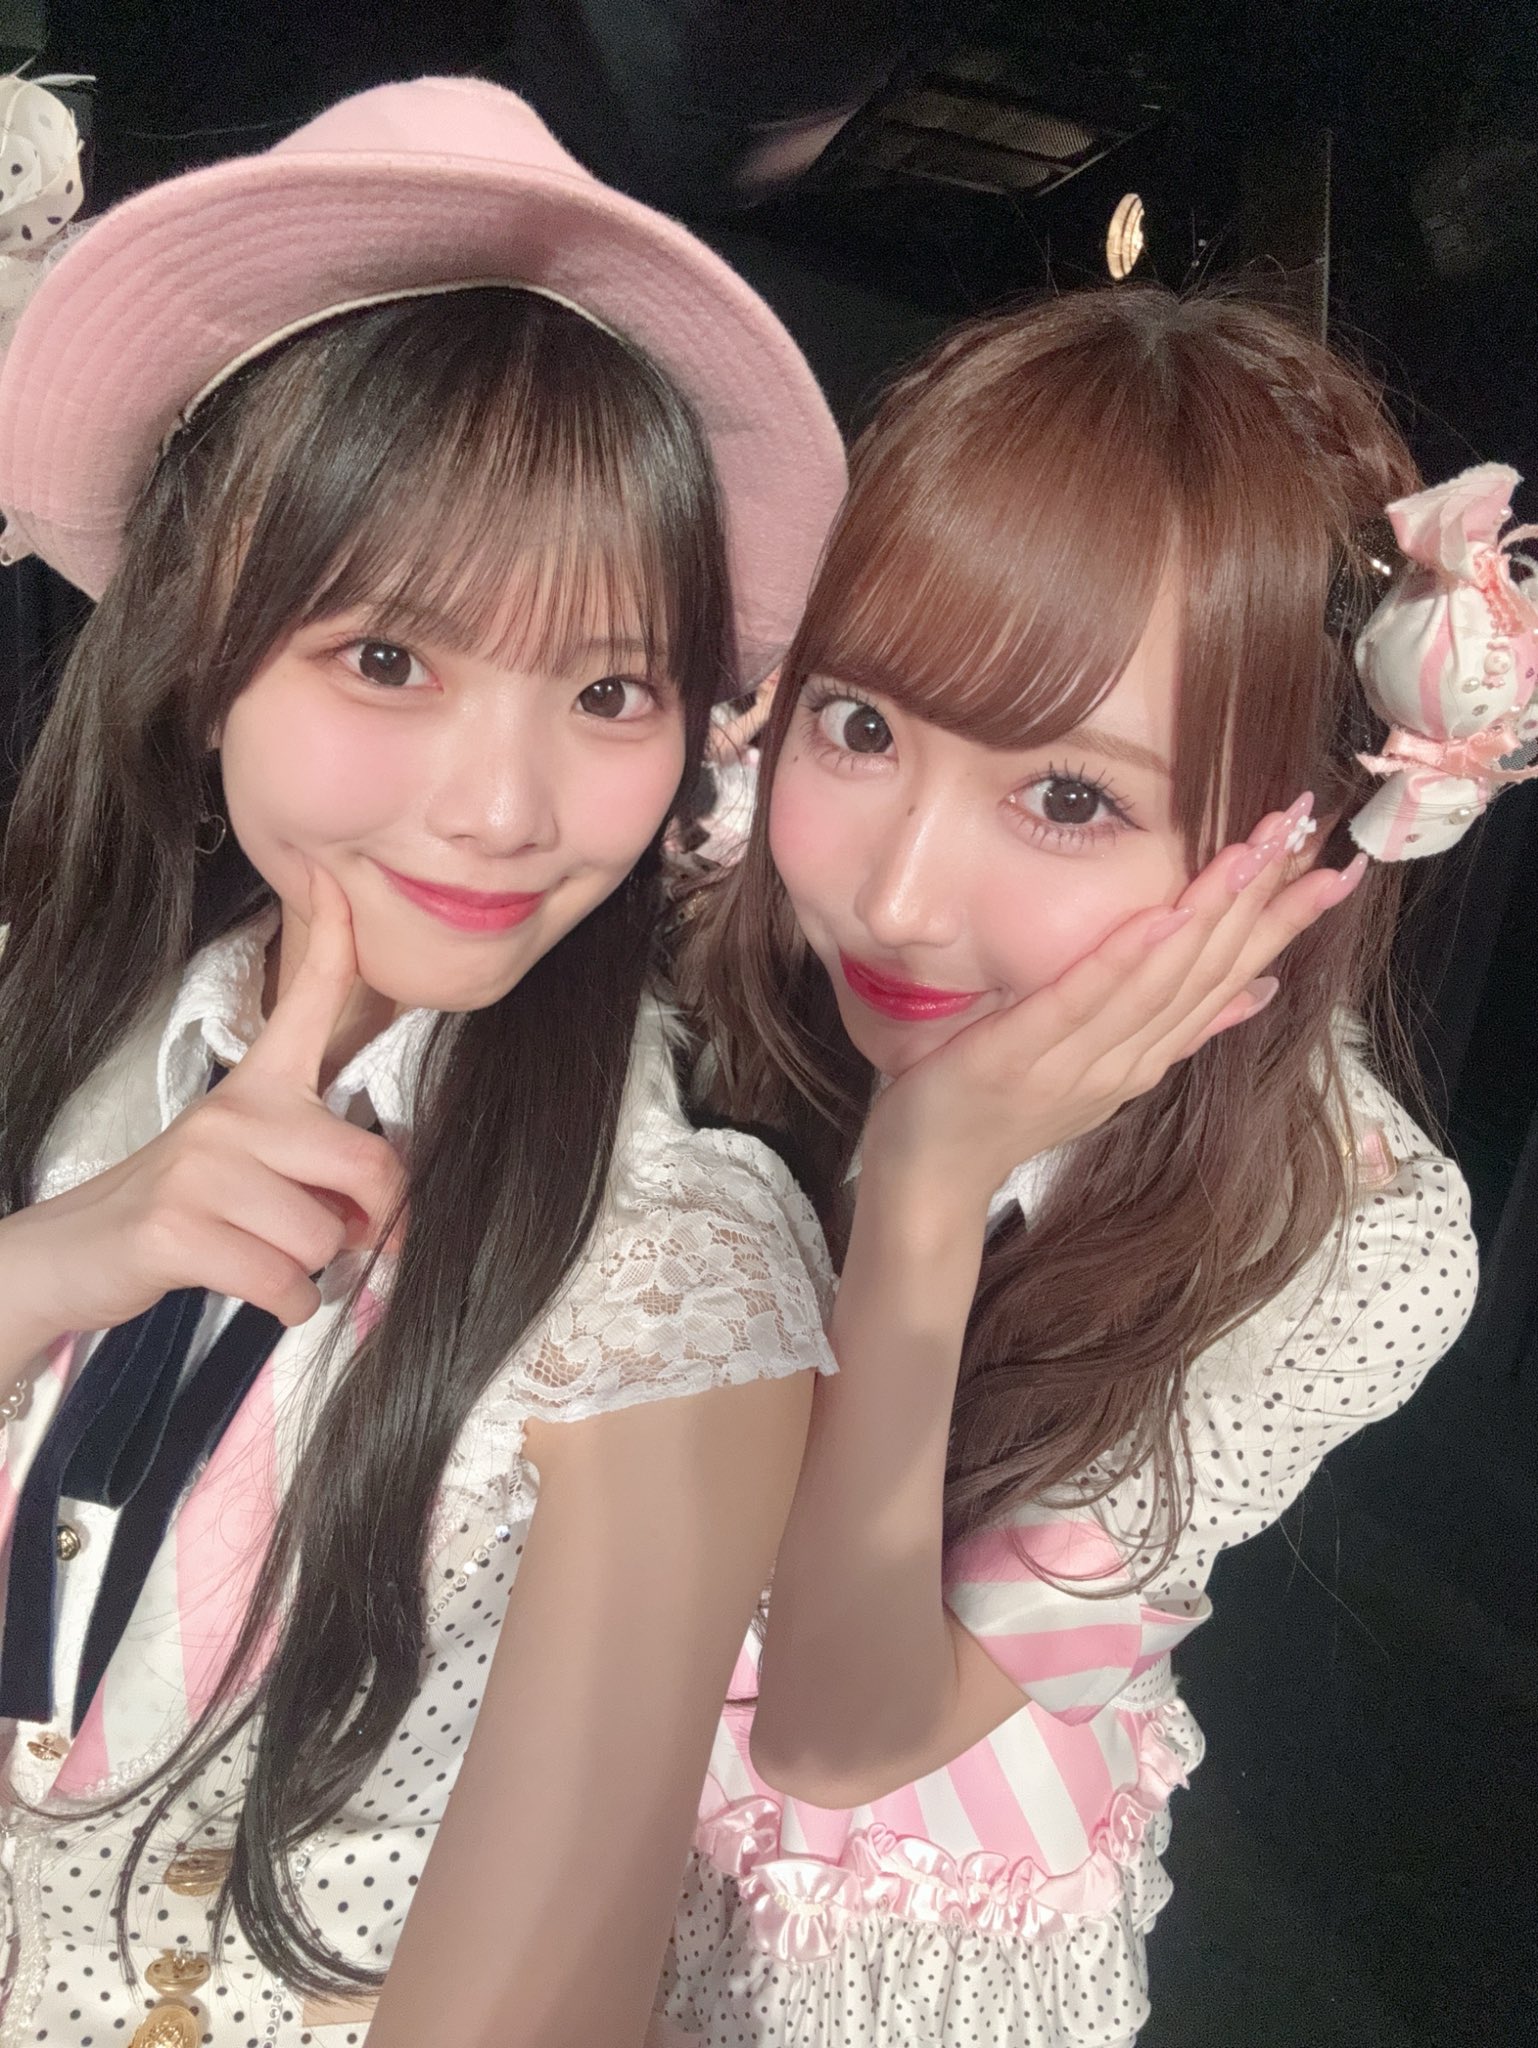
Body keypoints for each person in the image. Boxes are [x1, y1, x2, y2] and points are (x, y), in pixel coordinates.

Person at [0, 76, 847, 2048]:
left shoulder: (669, 1280)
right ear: (203, 643)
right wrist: (53, 1264)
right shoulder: (67, 1012)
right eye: (389, 659)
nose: (502, 807)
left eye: (610, 688)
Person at [656, 289, 1521, 2046]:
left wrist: (924, 1195)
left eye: (1068, 798)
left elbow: (841, 1729)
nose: (895, 898)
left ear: (1300, 826)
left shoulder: (1333, 1228)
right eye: (860, 726)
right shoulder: (707, 965)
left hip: (865, 1968)